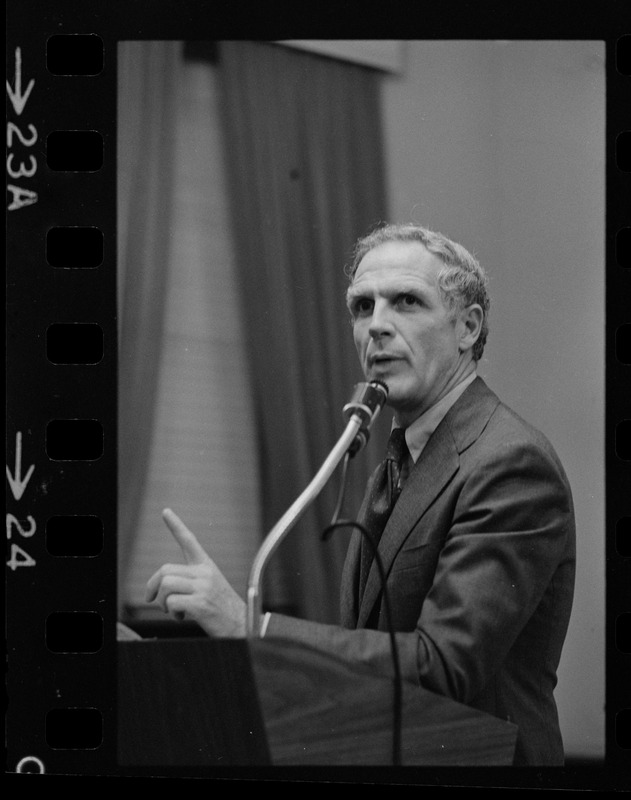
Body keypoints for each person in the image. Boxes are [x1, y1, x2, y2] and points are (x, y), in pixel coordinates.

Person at [145, 223, 576, 766]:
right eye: (361, 307)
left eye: (406, 302)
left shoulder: (510, 463)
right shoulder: (396, 460)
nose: (377, 326)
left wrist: (251, 625)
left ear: (468, 328)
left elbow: (442, 665)